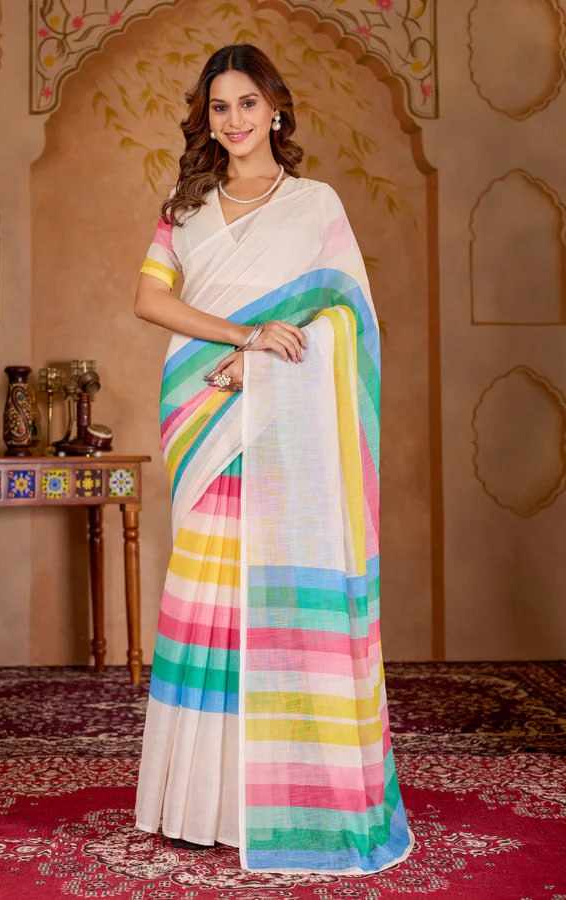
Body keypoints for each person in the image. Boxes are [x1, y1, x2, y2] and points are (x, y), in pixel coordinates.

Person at [133, 42, 415, 876]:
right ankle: (201, 804)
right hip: (206, 418)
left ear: (276, 108)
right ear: (206, 117)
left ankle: (291, 795)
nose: (235, 121)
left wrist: (261, 365)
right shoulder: (186, 207)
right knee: (207, 599)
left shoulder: (314, 205)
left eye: (248, 104)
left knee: (273, 597)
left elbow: (349, 321)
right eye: (219, 107)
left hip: (281, 428)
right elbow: (149, 298)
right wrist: (245, 337)